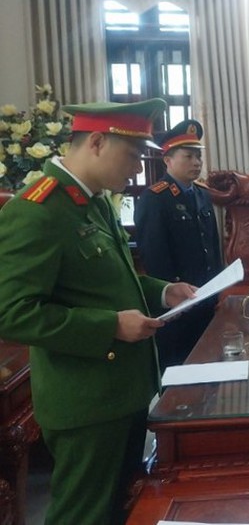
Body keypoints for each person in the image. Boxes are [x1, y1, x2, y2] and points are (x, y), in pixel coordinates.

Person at [0, 98, 196, 525]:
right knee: (83, 514)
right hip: (85, 402)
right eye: (132, 157)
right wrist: (109, 326)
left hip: (122, 392)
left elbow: (112, 283)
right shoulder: (38, 210)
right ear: (96, 143)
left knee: (118, 510)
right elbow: (11, 313)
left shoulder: (94, 203)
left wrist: (164, 292)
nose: (137, 170)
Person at [134, 119, 223, 369]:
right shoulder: (155, 198)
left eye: (198, 157)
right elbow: (153, 256)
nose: (196, 163)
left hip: (205, 296)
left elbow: (212, 245)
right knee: (178, 367)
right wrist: (171, 293)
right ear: (168, 160)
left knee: (208, 362)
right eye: (189, 156)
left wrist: (216, 287)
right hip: (178, 302)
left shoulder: (203, 194)